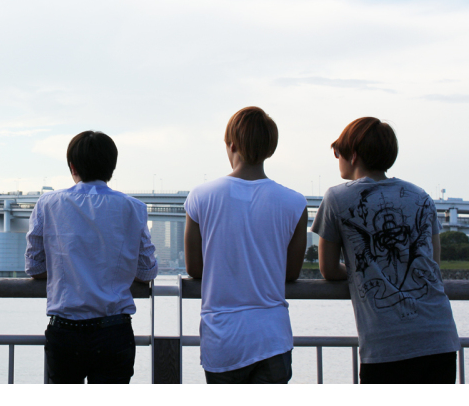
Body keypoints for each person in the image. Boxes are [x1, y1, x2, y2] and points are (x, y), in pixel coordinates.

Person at [312, 117, 460, 383]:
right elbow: (432, 265)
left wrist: (361, 273)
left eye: (338, 152)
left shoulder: (336, 198)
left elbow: (328, 269)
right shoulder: (422, 197)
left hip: (386, 344)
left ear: (353, 155)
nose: (338, 159)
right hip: (440, 337)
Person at [184, 107, 308, 384]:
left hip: (222, 337)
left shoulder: (200, 196)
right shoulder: (295, 203)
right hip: (272, 337)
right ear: (270, 148)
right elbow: (290, 273)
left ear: (231, 144)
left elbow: (194, 268)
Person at [25, 130, 158, 384]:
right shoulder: (134, 208)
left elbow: (34, 267)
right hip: (114, 331)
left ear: (72, 167)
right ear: (111, 168)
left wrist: (67, 271)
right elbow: (146, 272)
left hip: (65, 331)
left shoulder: (48, 204)